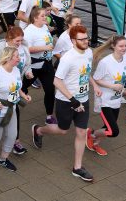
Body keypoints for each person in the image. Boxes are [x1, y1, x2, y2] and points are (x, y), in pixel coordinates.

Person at [32, 25, 101, 182]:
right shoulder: (68, 58)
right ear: (72, 41)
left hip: (83, 99)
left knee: (81, 132)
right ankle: (39, 131)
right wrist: (73, 100)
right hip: (66, 101)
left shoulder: (89, 52)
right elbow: (57, 81)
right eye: (81, 39)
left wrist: (95, 85)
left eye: (86, 38)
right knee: (63, 130)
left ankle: (77, 167)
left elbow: (86, 71)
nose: (85, 41)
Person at [0, 47, 31, 172]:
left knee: (12, 135)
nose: (19, 58)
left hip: (12, 109)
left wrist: (23, 95)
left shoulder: (16, 70)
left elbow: (16, 86)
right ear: (8, 58)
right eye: (16, 56)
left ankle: (3, 159)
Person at [0, 26, 32, 155]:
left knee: (12, 132)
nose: (19, 44)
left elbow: (27, 64)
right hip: (0, 101)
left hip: (13, 97)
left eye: (21, 41)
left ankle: (5, 155)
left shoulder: (16, 69)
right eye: (17, 41)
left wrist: (23, 95)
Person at [87, 35, 126, 156]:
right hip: (104, 100)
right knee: (113, 131)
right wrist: (112, 86)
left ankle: (95, 144)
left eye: (125, 45)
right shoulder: (105, 62)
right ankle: (91, 134)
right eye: (121, 46)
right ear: (113, 46)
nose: (124, 48)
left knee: (107, 126)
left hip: (116, 100)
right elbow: (96, 79)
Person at [23, 7, 56, 124]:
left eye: (45, 15)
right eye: (42, 16)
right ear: (35, 18)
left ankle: (49, 116)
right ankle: (12, 101)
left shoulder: (44, 27)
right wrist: (45, 48)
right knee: (23, 86)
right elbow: (27, 49)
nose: (45, 17)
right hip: (34, 64)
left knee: (50, 90)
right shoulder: (29, 31)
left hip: (47, 63)